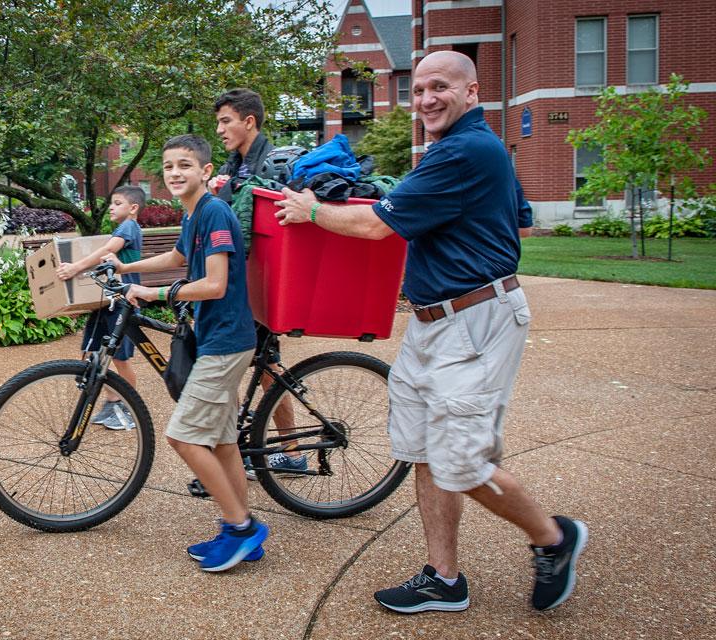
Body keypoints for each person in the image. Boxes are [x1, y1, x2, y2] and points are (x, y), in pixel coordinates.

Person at [274, 51, 587, 613]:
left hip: (473, 322)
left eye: (439, 87)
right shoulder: (461, 150)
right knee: (424, 450)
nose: (425, 100)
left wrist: (312, 209)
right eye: (418, 90)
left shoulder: (467, 151)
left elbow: (375, 225)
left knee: (461, 461)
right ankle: (444, 579)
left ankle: (553, 539)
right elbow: (516, 218)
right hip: (435, 319)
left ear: (472, 93)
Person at [103, 134, 268, 572]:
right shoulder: (194, 212)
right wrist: (127, 268)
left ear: (206, 171)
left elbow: (214, 284)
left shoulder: (213, 213)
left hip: (225, 342)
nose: (175, 173)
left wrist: (154, 293)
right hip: (218, 338)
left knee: (185, 436)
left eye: (185, 166)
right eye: (169, 166)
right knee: (223, 441)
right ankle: (242, 531)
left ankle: (241, 527)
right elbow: (177, 255)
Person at [210, 87, 303, 476]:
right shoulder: (236, 164)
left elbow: (271, 215)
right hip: (243, 282)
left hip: (261, 284)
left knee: (260, 365)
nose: (219, 129)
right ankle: (276, 452)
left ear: (249, 122)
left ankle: (287, 451)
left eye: (225, 121)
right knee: (261, 366)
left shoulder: (272, 164)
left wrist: (226, 193)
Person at [55, 185, 144, 430]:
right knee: (91, 355)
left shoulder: (129, 227)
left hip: (123, 304)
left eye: (117, 203)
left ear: (133, 208)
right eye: (111, 203)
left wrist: (75, 268)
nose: (111, 208)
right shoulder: (119, 229)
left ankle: (127, 408)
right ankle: (113, 401)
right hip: (106, 302)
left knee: (120, 360)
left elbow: (106, 251)